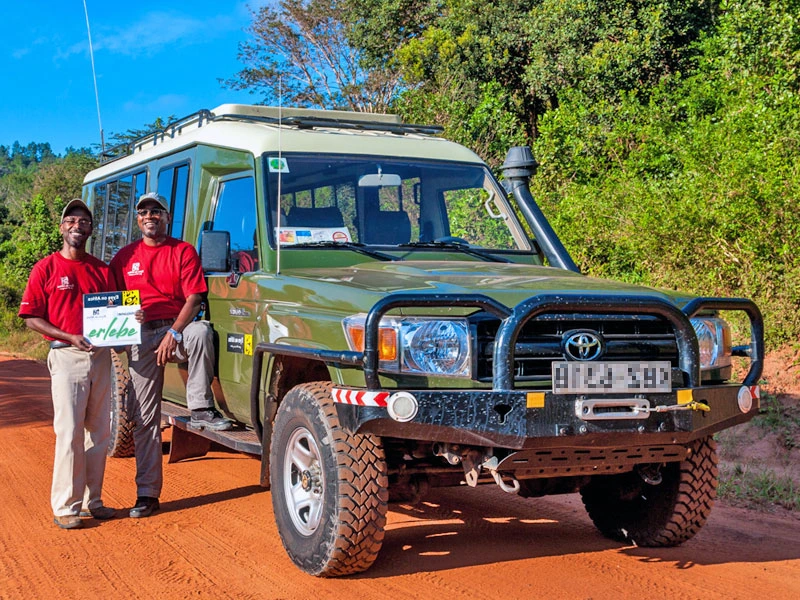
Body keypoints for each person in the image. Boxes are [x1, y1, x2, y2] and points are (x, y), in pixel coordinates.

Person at [109, 191, 231, 519]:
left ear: (167, 217)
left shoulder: (183, 251)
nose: (149, 216)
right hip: (140, 336)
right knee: (145, 419)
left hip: (176, 330)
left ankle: (200, 408)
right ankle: (147, 494)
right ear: (138, 219)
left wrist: (174, 332)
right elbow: (112, 301)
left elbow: (194, 298)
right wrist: (121, 325)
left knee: (201, 332)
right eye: (143, 212)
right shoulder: (124, 258)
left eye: (156, 211)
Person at [18, 198, 117, 529]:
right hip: (65, 355)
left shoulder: (102, 270)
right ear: (62, 227)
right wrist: (69, 336)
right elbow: (31, 317)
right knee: (69, 431)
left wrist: (131, 319)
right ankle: (65, 506)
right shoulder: (45, 268)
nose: (78, 226)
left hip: (100, 356)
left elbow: (116, 314)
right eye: (71, 220)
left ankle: (92, 501)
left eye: (84, 221)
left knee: (99, 433)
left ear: (91, 229)